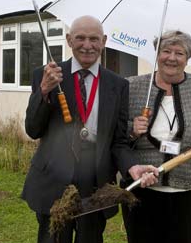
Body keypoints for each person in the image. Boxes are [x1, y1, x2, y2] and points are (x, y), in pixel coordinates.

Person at [21, 15, 158, 243]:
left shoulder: (118, 85)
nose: (87, 45)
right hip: (54, 181)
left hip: (96, 184)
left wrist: (132, 166)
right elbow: (33, 129)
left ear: (103, 41)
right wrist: (44, 91)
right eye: (80, 38)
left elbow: (119, 141)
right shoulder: (46, 76)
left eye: (94, 38)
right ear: (68, 40)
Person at [122, 30, 191, 243]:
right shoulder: (133, 86)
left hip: (185, 185)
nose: (171, 58)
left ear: (188, 58)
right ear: (157, 54)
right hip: (142, 185)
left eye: (179, 53)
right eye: (166, 51)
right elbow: (116, 133)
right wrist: (132, 129)